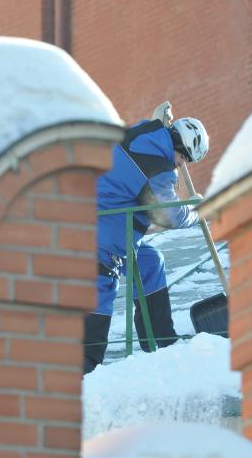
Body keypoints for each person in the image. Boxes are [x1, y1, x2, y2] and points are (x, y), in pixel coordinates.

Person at [83, 102, 209, 374]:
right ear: (179, 148)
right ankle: (85, 371)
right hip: (102, 231)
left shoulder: (146, 133)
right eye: (184, 158)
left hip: (111, 223)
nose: (181, 164)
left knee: (149, 263)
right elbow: (169, 217)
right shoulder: (159, 168)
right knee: (102, 286)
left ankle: (160, 343)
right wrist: (197, 212)